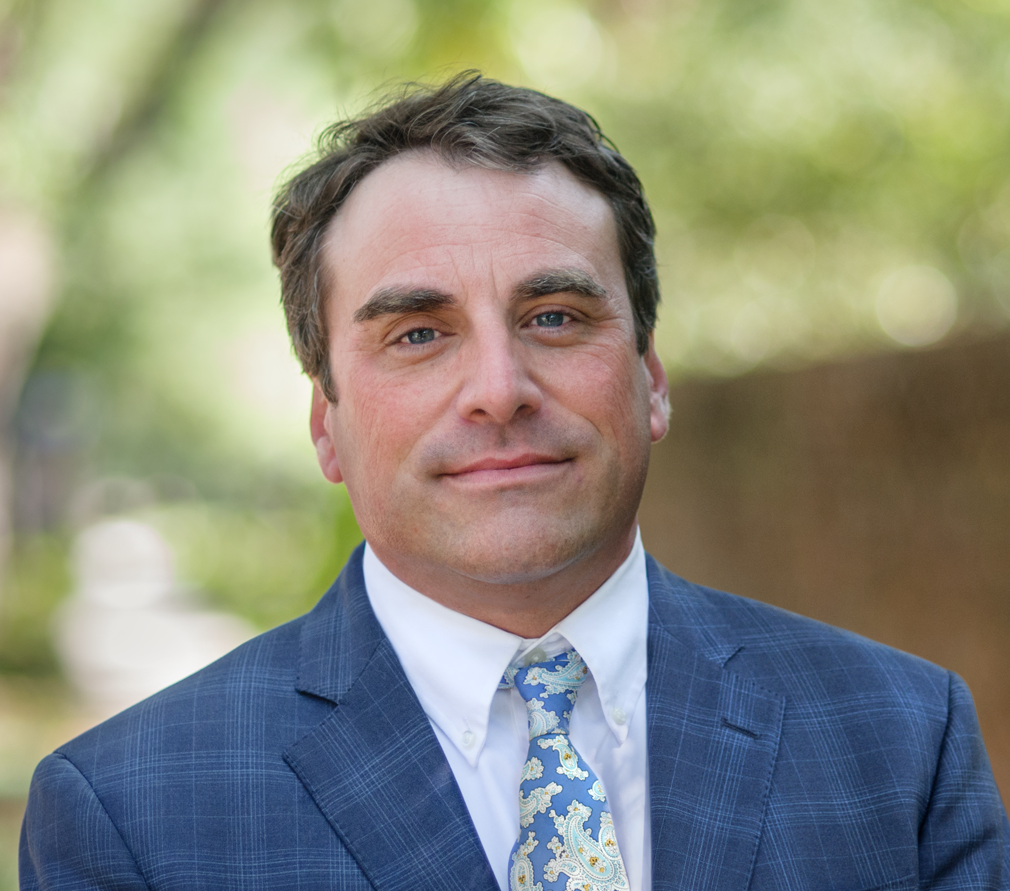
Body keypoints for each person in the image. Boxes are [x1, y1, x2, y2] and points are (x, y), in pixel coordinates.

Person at [20, 72, 1009, 891]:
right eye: (417, 334)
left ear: (650, 381)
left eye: (553, 318)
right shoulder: (129, 818)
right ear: (327, 427)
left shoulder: (900, 743)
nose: (496, 390)